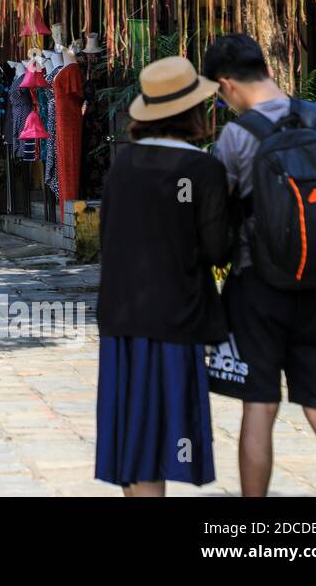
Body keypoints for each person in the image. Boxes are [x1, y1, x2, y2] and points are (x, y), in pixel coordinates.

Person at [203, 33, 316, 497]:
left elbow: (219, 212)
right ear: (266, 68)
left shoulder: (237, 135)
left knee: (260, 408)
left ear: (227, 83)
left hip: (259, 287)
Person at [96, 56, 232, 495]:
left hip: (121, 317)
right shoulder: (203, 169)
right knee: (161, 438)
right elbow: (218, 250)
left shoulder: (123, 165)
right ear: (192, 111)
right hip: (175, 317)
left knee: (133, 440)